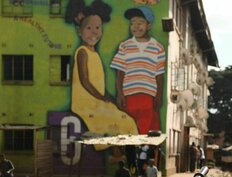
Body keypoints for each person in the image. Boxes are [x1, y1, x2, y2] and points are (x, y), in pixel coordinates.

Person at [65, 0, 138, 136]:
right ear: (78, 31)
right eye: (89, 28)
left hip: (97, 101)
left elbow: (98, 83)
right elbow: (85, 81)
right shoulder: (82, 52)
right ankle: (116, 154)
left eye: (98, 28)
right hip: (85, 103)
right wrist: (101, 97)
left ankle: (120, 154)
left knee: (127, 121)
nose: (94, 32)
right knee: (116, 122)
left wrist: (109, 97)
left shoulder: (95, 54)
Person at [110, 5, 165, 135]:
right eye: (132, 23)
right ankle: (131, 155)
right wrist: (120, 93)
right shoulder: (125, 46)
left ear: (149, 25)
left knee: (146, 129)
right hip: (129, 94)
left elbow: (159, 75)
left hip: (148, 94)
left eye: (140, 23)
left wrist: (159, 95)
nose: (136, 26)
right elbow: (120, 72)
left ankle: (144, 153)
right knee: (129, 128)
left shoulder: (158, 47)